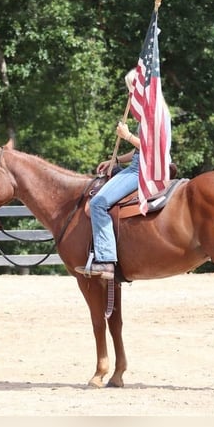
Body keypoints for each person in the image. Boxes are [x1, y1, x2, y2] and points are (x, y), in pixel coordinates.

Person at [75, 69, 141, 281]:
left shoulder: (151, 115)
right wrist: (117, 160)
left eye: (132, 89)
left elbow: (153, 148)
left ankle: (106, 260)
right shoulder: (148, 114)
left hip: (140, 171)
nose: (131, 95)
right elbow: (140, 150)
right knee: (106, 175)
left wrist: (127, 135)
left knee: (98, 203)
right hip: (137, 165)